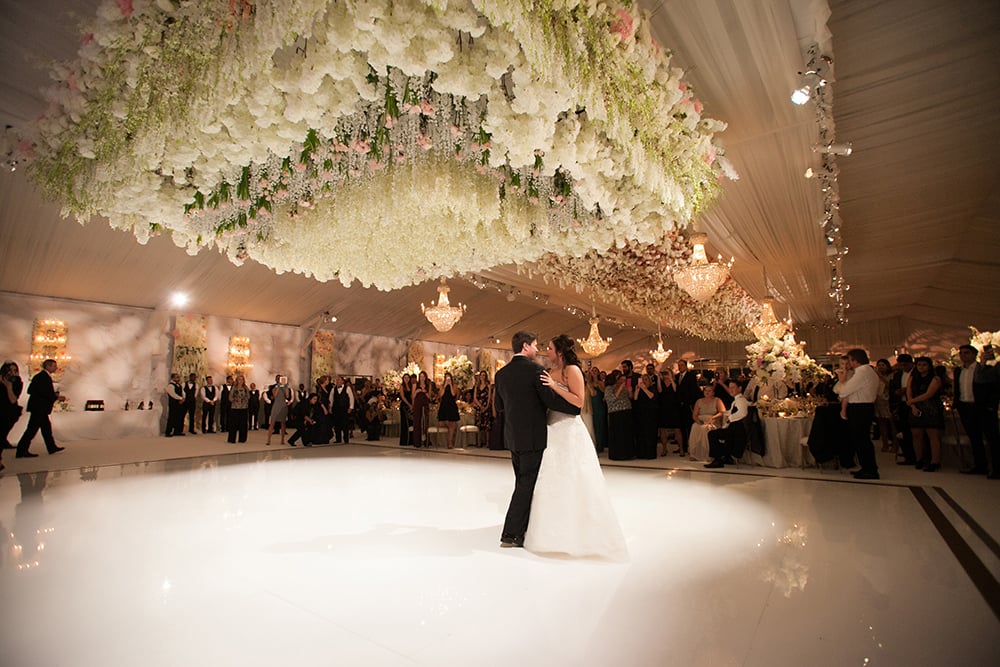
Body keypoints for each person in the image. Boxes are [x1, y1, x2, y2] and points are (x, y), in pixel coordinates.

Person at [524, 334, 628, 559]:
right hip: (551, 426)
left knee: (575, 478)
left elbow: (578, 401)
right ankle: (549, 533)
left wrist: (554, 386)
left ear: (559, 352)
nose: (547, 352)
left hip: (569, 428)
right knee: (550, 479)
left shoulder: (571, 370)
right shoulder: (548, 372)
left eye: (550, 348)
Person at [494, 331, 573, 549]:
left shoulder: (501, 374)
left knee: (522, 481)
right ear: (526, 346)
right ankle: (510, 534)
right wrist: (574, 408)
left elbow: (499, 407)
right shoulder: (536, 371)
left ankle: (522, 528)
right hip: (532, 437)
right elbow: (550, 401)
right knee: (526, 484)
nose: (538, 350)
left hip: (512, 436)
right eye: (536, 346)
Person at [954, 344, 1000, 477]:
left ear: (974, 355)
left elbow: (993, 389)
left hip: (982, 407)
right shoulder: (958, 370)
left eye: (966, 353)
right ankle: (980, 465)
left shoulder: (983, 369)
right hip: (965, 406)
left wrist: (991, 405)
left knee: (992, 439)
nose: (963, 355)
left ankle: (997, 468)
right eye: (961, 353)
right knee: (974, 438)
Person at [834, 348, 880, 479]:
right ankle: (867, 467)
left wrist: (842, 381)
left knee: (862, 440)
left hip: (860, 408)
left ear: (855, 360)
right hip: (864, 407)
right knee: (861, 439)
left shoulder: (862, 373)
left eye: (850, 360)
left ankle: (870, 470)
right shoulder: (868, 371)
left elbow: (843, 392)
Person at [15, 359, 66, 458]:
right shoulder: (43, 377)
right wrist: (55, 397)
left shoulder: (41, 377)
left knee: (46, 428)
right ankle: (21, 450)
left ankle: (51, 447)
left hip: (39, 408)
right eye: (54, 366)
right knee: (32, 430)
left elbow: (34, 390)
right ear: (48, 366)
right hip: (39, 408)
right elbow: (41, 392)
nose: (56, 368)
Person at [906, 356, 945, 472]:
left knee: (933, 435)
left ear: (929, 366)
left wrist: (912, 401)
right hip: (915, 407)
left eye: (924, 365)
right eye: (919, 365)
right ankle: (919, 459)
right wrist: (912, 405)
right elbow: (909, 391)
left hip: (931, 407)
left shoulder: (935, 378)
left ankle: (935, 461)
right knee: (917, 435)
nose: (921, 367)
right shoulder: (913, 377)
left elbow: (929, 394)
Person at [705, 380, 751, 468]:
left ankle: (718, 459)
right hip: (734, 430)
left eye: (733, 388)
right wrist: (721, 413)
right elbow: (730, 412)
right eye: (729, 388)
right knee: (716, 433)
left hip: (737, 432)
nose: (730, 390)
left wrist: (729, 419)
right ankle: (726, 456)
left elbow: (743, 413)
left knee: (712, 434)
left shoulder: (741, 401)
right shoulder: (736, 400)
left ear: (740, 389)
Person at [687, 382, 725, 462]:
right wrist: (698, 421)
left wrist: (712, 418)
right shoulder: (699, 401)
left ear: (713, 392)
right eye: (705, 391)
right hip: (701, 420)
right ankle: (694, 454)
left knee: (706, 429)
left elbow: (722, 412)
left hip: (713, 421)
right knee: (695, 427)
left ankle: (707, 454)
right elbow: (694, 415)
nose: (707, 392)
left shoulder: (717, 400)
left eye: (709, 391)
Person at [1, 361, 24, 470]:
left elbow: (13, 399)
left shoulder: (17, 382)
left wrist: (8, 386)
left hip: (9, 413)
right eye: (10, 370)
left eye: (15, 370)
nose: (13, 373)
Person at [437, 371, 460, 449]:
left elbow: (453, 394)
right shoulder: (442, 386)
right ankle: (445, 440)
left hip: (451, 406)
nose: (448, 379)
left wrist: (450, 385)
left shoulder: (454, 386)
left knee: (451, 425)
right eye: (446, 378)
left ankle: (450, 442)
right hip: (444, 406)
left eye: (449, 378)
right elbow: (441, 395)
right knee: (441, 423)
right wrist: (445, 385)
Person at [266, 376, 292, 446]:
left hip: (283, 406)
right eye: (278, 379)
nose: (279, 380)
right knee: (272, 422)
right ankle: (268, 440)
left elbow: (287, 396)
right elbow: (274, 395)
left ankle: (282, 440)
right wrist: (278, 386)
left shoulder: (286, 387)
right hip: (276, 405)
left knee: (283, 423)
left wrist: (285, 387)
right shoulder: (274, 387)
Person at [331, 375, 354, 444]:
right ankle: (338, 439)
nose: (337, 381)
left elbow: (351, 398)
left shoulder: (347, 388)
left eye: (338, 380)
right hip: (336, 409)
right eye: (336, 380)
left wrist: (351, 407)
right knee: (337, 424)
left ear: (342, 381)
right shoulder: (333, 389)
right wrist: (330, 407)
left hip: (345, 409)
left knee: (345, 424)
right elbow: (331, 398)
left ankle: (346, 439)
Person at [227, 374, 250, 444]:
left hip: (243, 407)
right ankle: (232, 439)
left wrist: (245, 399)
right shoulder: (234, 388)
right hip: (235, 407)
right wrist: (235, 399)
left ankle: (242, 439)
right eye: (239, 379)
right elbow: (230, 398)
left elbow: (248, 396)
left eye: (242, 379)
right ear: (237, 380)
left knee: (243, 424)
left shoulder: (245, 388)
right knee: (233, 424)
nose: (241, 381)